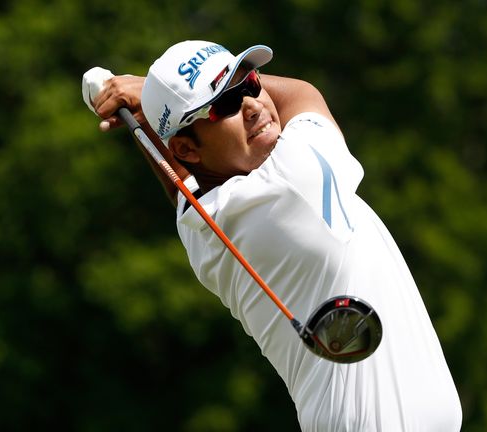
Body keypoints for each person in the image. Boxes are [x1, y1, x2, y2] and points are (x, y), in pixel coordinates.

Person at [83, 40, 463, 431]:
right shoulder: (295, 178)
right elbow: (303, 94)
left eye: (249, 82)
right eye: (226, 104)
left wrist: (149, 117)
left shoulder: (201, 226)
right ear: (186, 147)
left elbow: (180, 182)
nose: (252, 104)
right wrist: (147, 93)